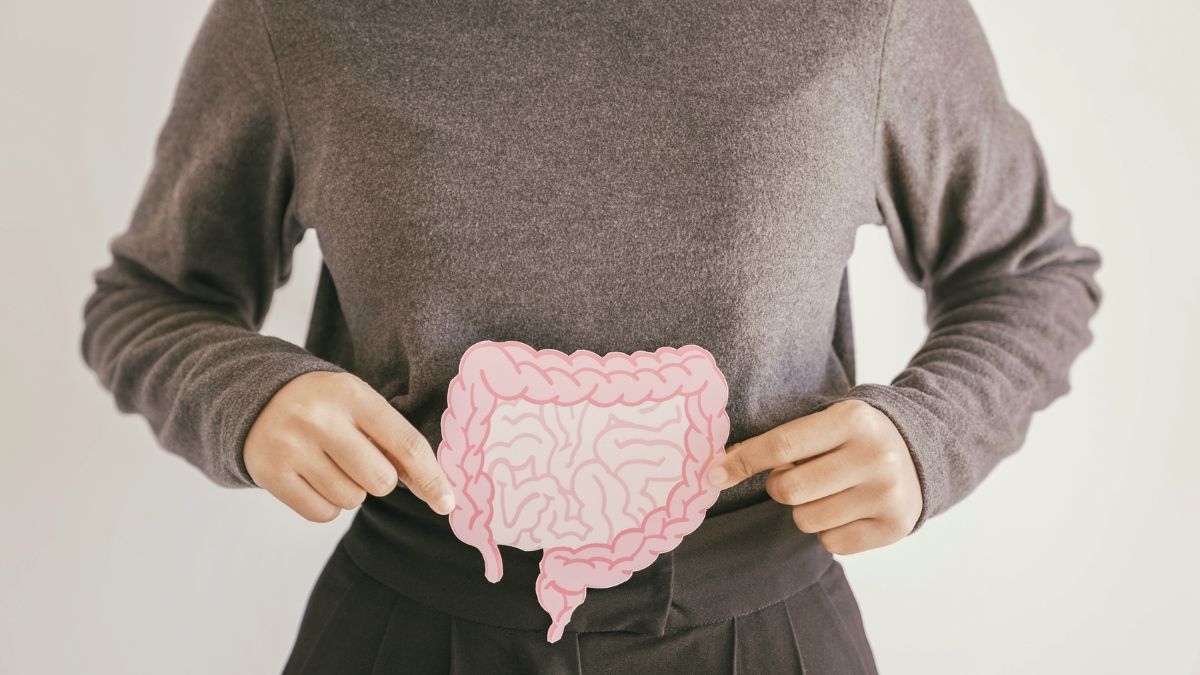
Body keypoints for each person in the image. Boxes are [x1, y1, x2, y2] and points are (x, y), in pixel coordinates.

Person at [79, 0, 1102, 672]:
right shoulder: (299, 16)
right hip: (412, 620)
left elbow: (1028, 274)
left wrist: (934, 431)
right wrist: (244, 394)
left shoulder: (872, 12)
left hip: (766, 625)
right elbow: (150, 296)